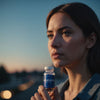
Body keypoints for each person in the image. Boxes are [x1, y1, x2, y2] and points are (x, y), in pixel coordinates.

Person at [31, 2, 100, 100]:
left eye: (66, 33)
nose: (53, 43)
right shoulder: (54, 94)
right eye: (50, 35)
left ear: (90, 40)